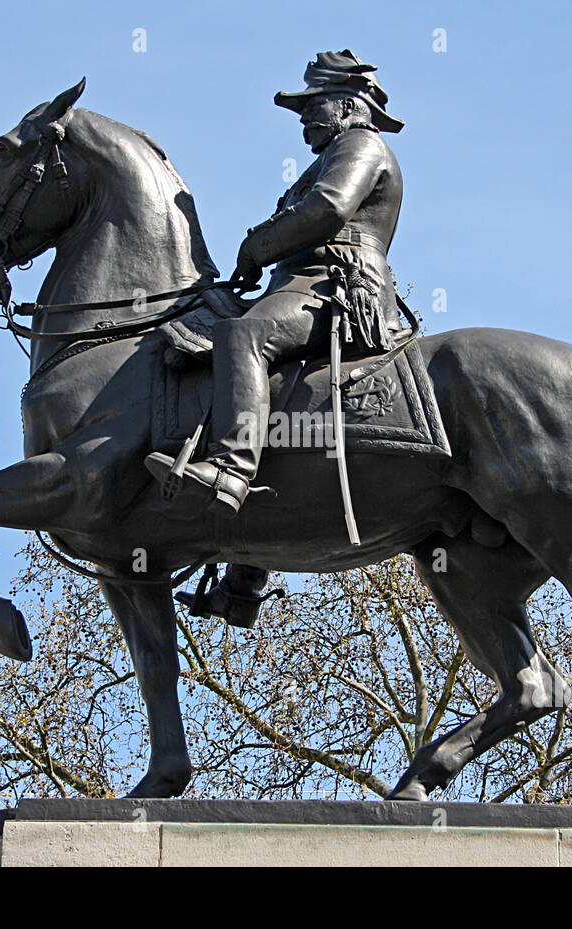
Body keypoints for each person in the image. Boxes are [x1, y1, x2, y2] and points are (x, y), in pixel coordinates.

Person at [148, 50, 407, 627]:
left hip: (335, 288)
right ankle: (244, 579)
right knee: (258, 376)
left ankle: (230, 470)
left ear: (349, 105)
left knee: (243, 336)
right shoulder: (332, 152)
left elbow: (328, 209)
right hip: (301, 283)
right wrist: (256, 263)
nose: (305, 118)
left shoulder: (360, 145)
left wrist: (256, 246)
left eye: (314, 106)